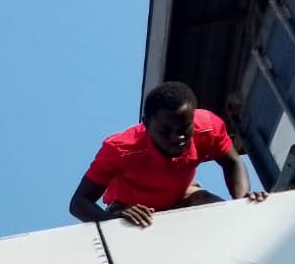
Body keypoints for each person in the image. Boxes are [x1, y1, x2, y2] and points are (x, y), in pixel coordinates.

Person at [69, 81, 266, 227]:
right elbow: (79, 203)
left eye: (184, 128)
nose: (177, 137)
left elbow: (231, 161)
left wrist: (242, 202)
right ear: (146, 124)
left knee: (222, 215)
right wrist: (113, 220)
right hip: (131, 210)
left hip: (183, 196)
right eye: (166, 131)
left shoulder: (208, 127)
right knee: (134, 235)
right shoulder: (120, 150)